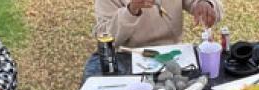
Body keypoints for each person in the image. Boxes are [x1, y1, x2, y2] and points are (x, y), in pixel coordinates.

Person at [94, 0, 223, 48]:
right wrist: (131, 10)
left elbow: (214, 7)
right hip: (131, 58)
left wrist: (206, 4)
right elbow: (104, 37)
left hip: (174, 53)